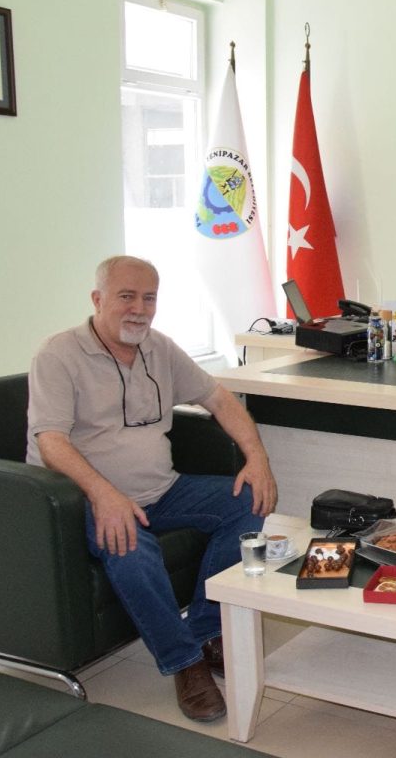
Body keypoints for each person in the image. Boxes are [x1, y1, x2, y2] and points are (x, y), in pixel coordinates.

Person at [26, 256, 278, 723]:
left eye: (149, 298)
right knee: (129, 545)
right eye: (126, 296)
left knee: (247, 500)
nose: (139, 309)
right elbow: (51, 442)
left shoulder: (159, 348)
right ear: (97, 299)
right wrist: (104, 494)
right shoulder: (58, 355)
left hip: (161, 490)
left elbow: (220, 399)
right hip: (82, 500)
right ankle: (185, 663)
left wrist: (257, 458)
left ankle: (204, 630)